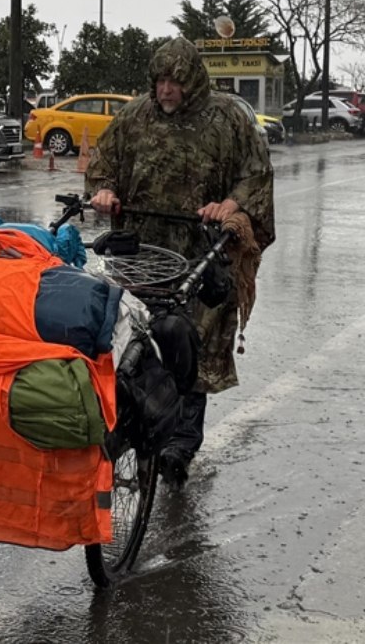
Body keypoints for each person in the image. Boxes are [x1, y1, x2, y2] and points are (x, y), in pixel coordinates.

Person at [85, 37, 275, 488]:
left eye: (175, 81)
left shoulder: (227, 119)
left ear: (192, 82)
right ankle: (130, 418)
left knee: (195, 342)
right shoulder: (134, 116)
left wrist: (231, 204)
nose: (166, 89)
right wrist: (106, 191)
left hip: (200, 252)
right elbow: (103, 163)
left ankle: (181, 443)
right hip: (143, 252)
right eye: (160, 81)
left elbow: (256, 175)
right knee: (133, 335)